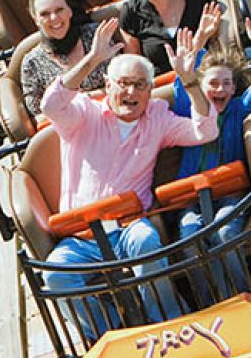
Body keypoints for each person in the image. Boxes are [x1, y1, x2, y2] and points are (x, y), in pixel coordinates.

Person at [38, 18, 218, 338]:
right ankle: (111, 332)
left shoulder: (158, 117)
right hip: (82, 235)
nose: (130, 92)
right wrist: (93, 58)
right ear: (108, 85)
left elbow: (205, 131)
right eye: (123, 83)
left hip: (129, 227)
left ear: (149, 92)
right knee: (55, 277)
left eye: (139, 85)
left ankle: (166, 321)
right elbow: (51, 103)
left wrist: (189, 81)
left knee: (146, 241)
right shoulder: (83, 112)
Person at [170, 9, 251, 301]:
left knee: (226, 233)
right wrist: (201, 39)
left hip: (228, 193)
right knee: (191, 236)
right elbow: (184, 81)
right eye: (213, 84)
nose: (220, 89)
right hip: (192, 196)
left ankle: (240, 295)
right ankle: (210, 301)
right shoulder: (187, 108)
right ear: (201, 88)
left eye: (227, 83)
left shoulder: (238, 108)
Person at [16, 0, 107, 121]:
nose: (54, 19)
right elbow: (40, 117)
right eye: (45, 14)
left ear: (70, 10)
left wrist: (68, 104)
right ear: (35, 19)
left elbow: (120, 84)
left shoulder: (96, 35)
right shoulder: (32, 63)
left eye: (59, 10)